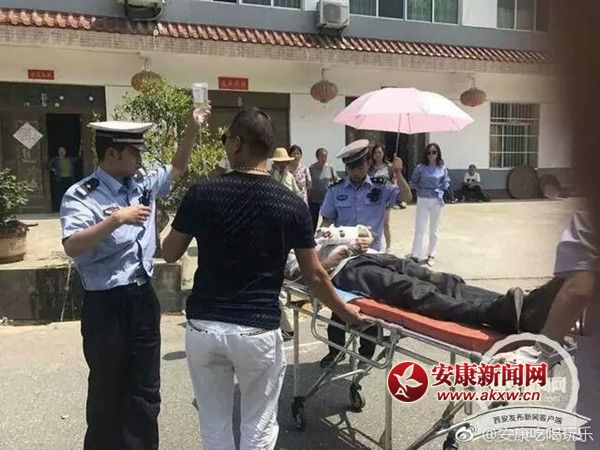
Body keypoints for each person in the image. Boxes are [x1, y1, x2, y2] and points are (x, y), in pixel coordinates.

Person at [160, 107, 362, 450]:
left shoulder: (202, 194)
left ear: (237, 143)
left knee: (215, 427)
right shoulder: (291, 204)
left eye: (226, 140)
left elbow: (169, 253)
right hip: (257, 331)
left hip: (205, 328)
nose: (226, 146)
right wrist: (346, 313)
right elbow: (314, 274)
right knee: (258, 429)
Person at [59, 105, 210, 450]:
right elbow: (72, 245)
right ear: (113, 154)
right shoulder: (83, 194)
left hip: (142, 298)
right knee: (107, 390)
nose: (140, 158)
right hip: (105, 304)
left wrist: (192, 127)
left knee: (145, 390)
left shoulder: (141, 183)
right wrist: (115, 220)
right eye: (134, 151)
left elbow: (177, 168)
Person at [285, 225, 528, 337]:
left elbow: (364, 232)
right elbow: (306, 277)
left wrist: (363, 238)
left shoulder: (313, 231)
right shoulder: (286, 253)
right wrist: (338, 256)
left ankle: (507, 303)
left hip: (372, 255)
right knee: (412, 289)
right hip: (346, 271)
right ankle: (490, 314)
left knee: (437, 279)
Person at [319, 139, 408, 366]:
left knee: (369, 310)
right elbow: (326, 222)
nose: (355, 171)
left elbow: (407, 198)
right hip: (344, 259)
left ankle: (365, 355)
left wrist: (398, 173)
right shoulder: (336, 190)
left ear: (368, 163)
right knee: (340, 307)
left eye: (359, 165)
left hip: (371, 258)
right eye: (351, 167)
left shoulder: (381, 187)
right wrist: (323, 238)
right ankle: (335, 351)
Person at [409, 143, 450, 267]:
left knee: (434, 229)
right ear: (426, 154)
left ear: (438, 153)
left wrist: (441, 189)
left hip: (436, 200)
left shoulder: (442, 168)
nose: (431, 155)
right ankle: (415, 254)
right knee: (419, 227)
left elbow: (446, 182)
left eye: (434, 152)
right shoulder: (420, 168)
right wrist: (420, 190)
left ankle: (431, 254)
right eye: (429, 152)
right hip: (423, 199)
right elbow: (413, 182)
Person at [308, 147, 339, 231]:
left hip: (327, 199)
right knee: (313, 220)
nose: (324, 159)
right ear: (317, 157)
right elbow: (308, 182)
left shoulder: (330, 168)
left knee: (327, 220)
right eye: (322, 156)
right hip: (314, 199)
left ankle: (325, 235)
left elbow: (336, 180)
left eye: (325, 156)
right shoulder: (311, 168)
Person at [50, 146, 79, 211]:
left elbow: (78, 159)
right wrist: (54, 170)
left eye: (63, 150)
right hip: (60, 179)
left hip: (69, 179)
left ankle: (69, 208)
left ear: (65, 152)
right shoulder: (55, 159)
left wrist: (82, 150)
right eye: (60, 151)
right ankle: (59, 208)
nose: (62, 152)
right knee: (60, 194)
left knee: (69, 194)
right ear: (58, 152)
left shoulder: (69, 159)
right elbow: (48, 165)